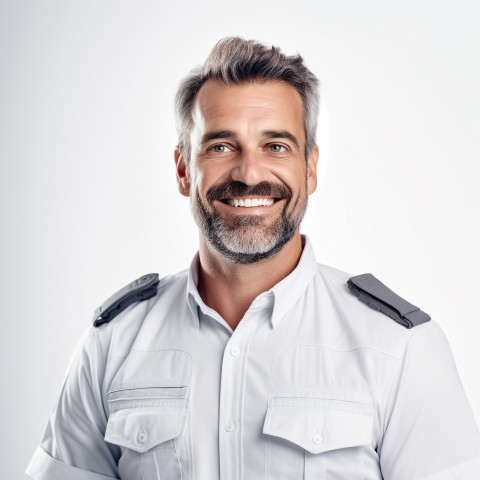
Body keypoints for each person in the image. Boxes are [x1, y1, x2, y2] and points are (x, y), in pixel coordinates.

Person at [27, 37, 480, 480]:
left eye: (276, 146)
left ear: (311, 168)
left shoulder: (398, 347)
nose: (248, 174)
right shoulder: (113, 341)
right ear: (184, 170)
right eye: (221, 146)